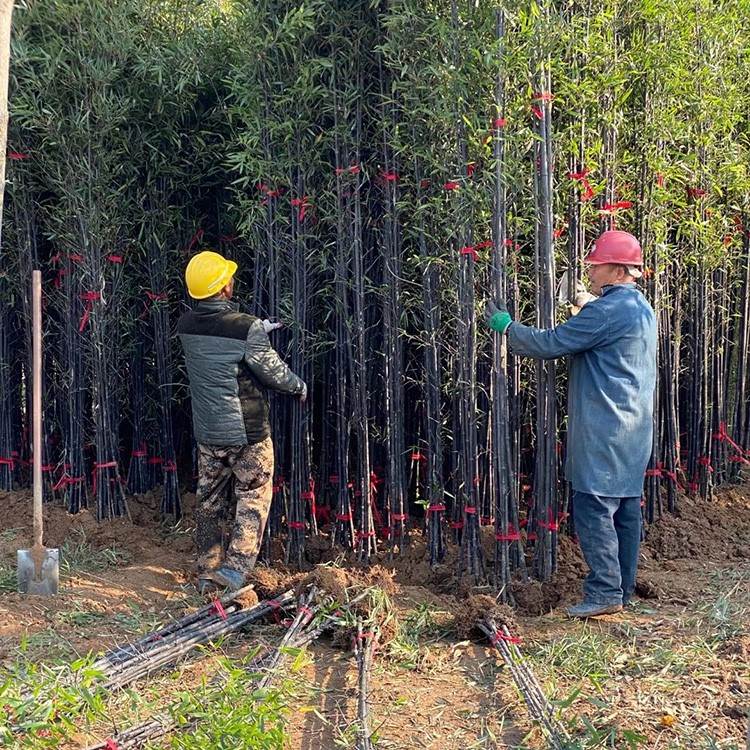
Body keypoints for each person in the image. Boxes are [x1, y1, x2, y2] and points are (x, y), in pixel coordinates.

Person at [486, 230, 656, 618]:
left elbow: (549, 344)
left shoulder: (607, 312)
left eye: (595, 266)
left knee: (593, 505)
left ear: (615, 269)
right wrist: (582, 300)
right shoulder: (639, 307)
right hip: (633, 428)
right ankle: (622, 589)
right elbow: (601, 327)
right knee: (626, 509)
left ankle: (604, 592)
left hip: (604, 426)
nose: (591, 272)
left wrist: (507, 327)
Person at [177, 250, 306, 593]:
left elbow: (220, 343)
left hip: (208, 434)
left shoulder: (186, 326)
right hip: (247, 434)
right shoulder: (244, 328)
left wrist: (256, 329)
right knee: (253, 496)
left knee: (209, 501)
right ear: (223, 288)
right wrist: (299, 387)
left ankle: (206, 571)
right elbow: (274, 374)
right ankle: (234, 571)